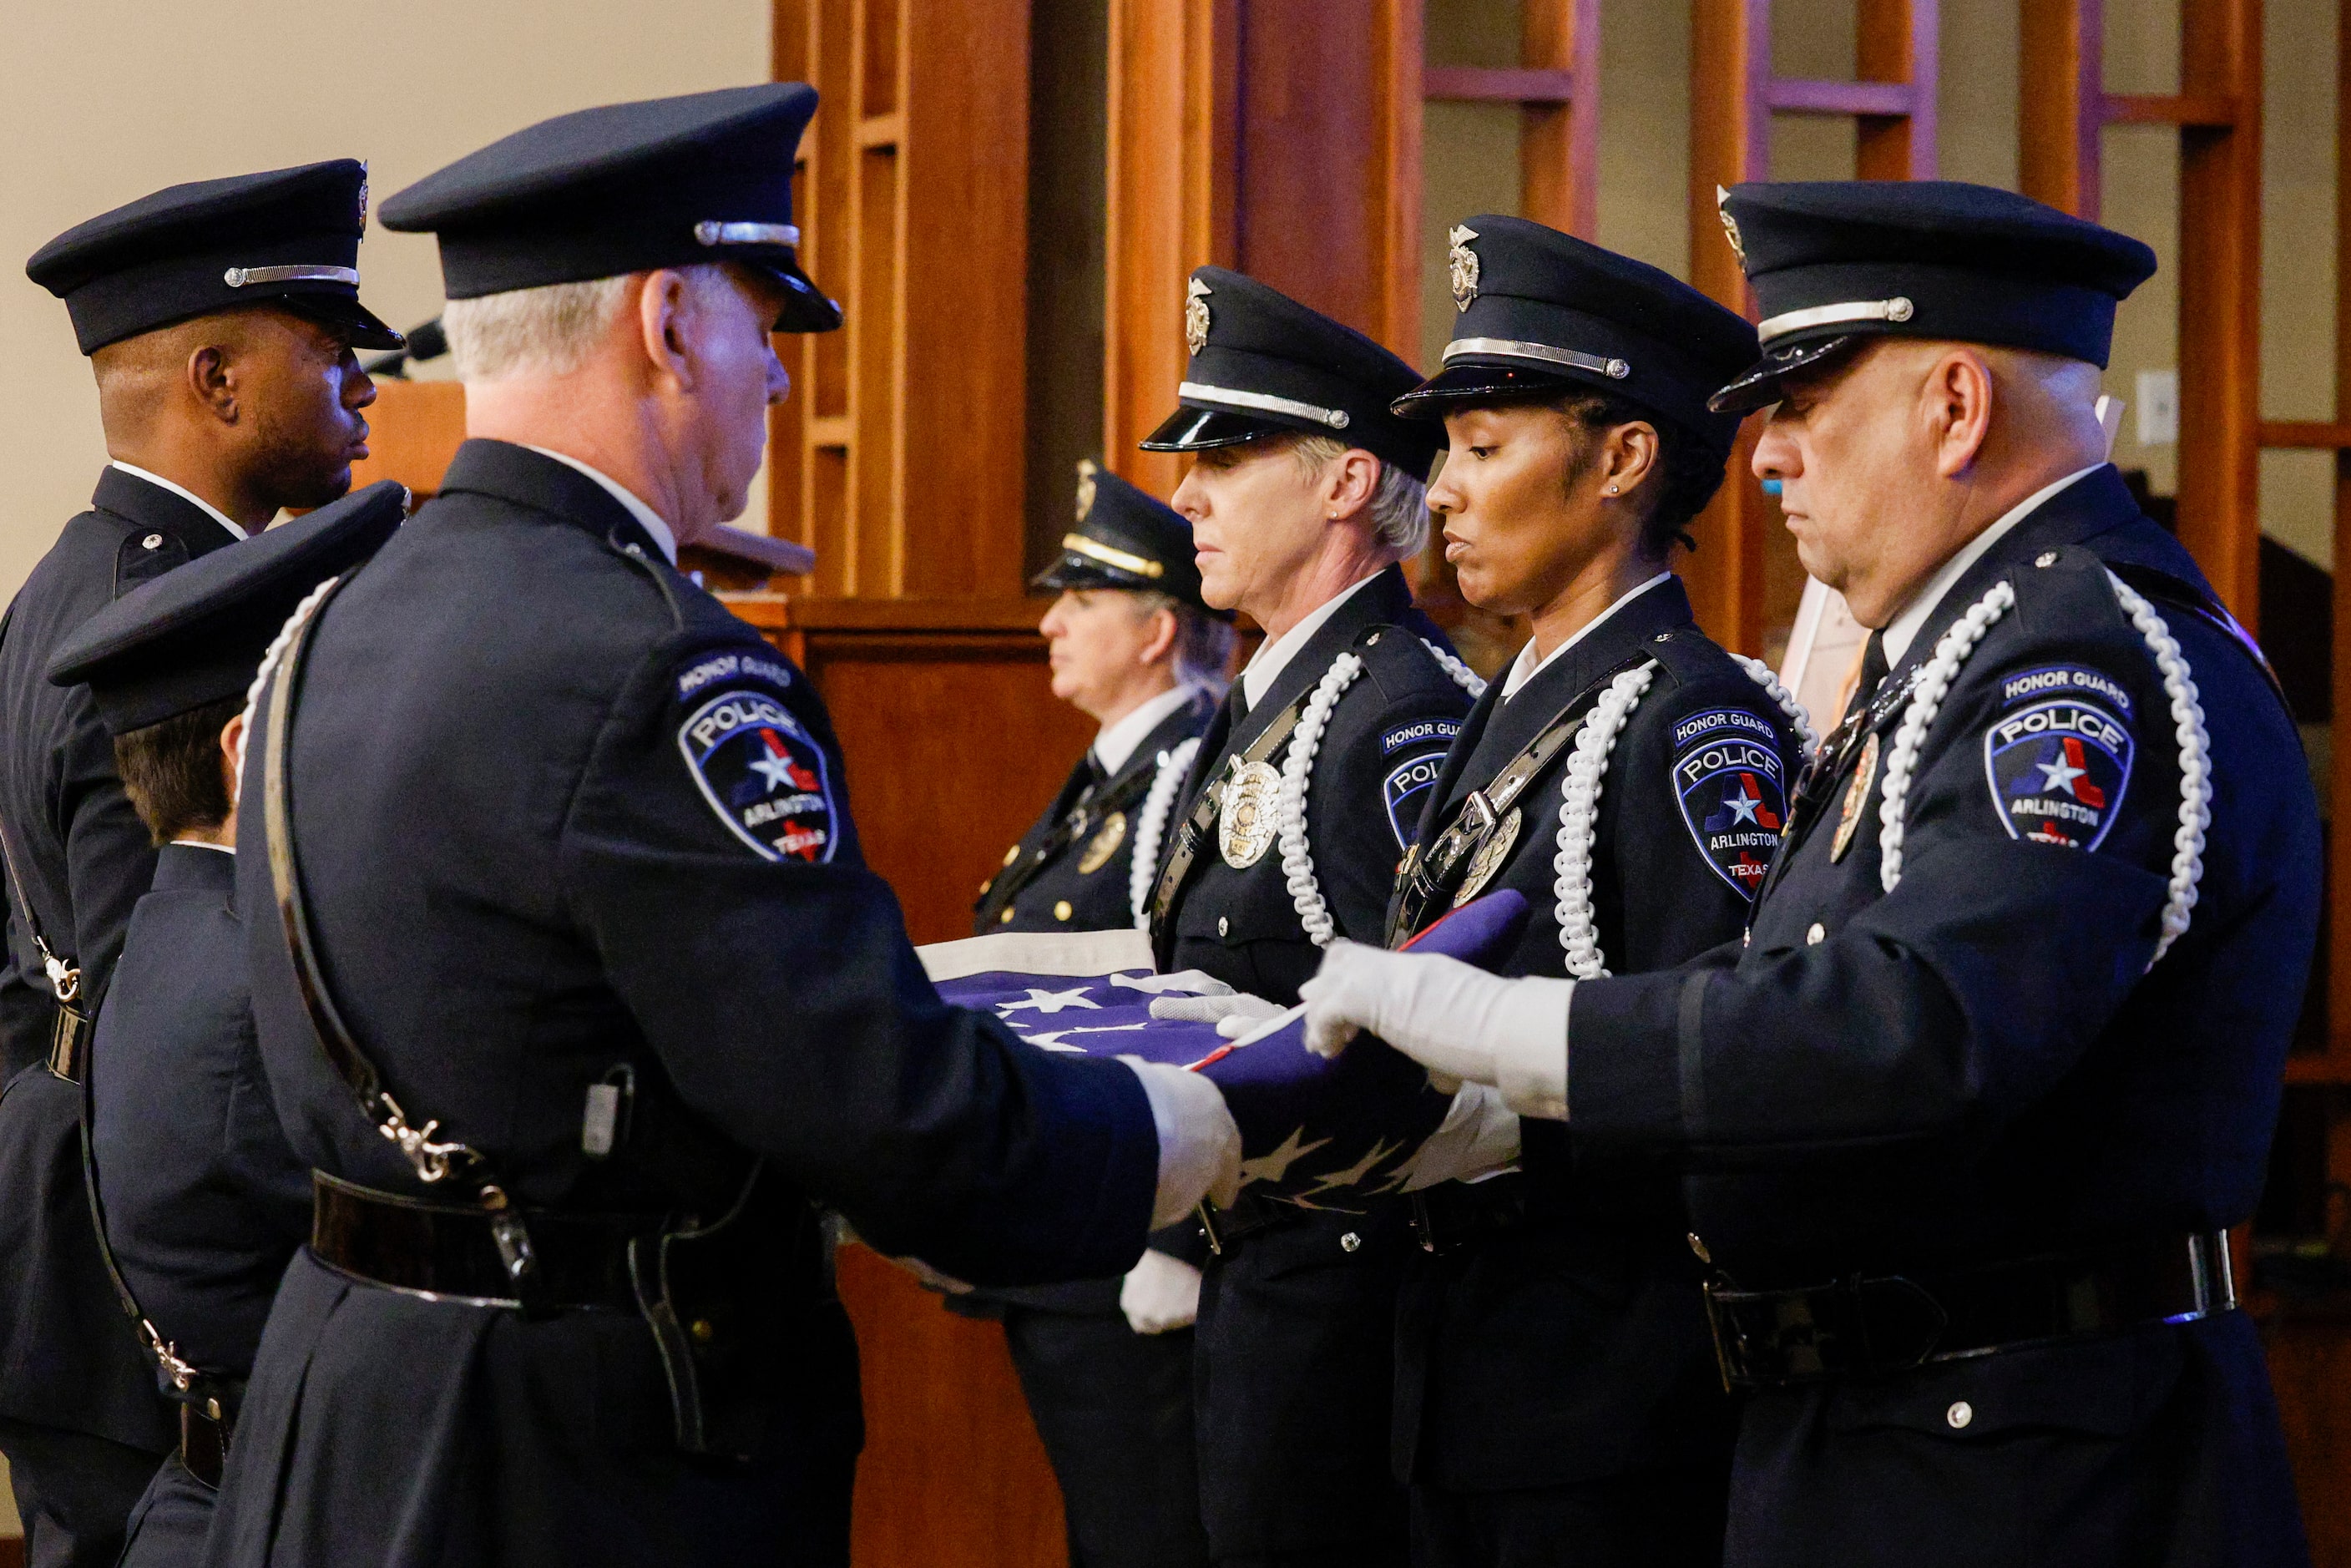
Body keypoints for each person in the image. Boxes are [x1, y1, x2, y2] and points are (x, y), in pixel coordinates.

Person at [205, 85, 1239, 1568]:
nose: (773, 377)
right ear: (669, 323)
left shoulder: (325, 624)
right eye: (763, 325)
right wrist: (1173, 1129)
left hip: (348, 1394)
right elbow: (880, 1110)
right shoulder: (663, 666)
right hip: (582, 1447)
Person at [1300, 180, 2317, 1568]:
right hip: (1913, 1431)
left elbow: (1922, 1021)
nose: (1766, 452)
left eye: (1804, 399)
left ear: (1953, 407)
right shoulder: (1972, 644)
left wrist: (1519, 1032)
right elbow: (1798, 986)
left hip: (2020, 1461)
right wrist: (1502, 1112)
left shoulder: (2076, 657)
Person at [1381, 216, 1803, 1567]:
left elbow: (1726, 1071)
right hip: (1468, 1376)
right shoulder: (1511, 699)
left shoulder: (1691, 722)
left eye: (1484, 446)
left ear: (1623, 459)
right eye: (1445, 448)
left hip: (1609, 1407)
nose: (1440, 490)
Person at [1, 159, 398, 1568]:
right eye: (325, 350)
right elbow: (151, 984)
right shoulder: (160, 622)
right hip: (130, 1264)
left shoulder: (81, 575)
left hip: (68, 1214)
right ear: (219, 380)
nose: (362, 385)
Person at [1136, 266, 1479, 1568]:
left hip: (1349, 1305)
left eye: (1227, 455)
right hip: (1264, 1281)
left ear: (1345, 484)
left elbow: (1421, 1031)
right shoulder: (1280, 692)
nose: (1187, 495)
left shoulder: (1396, 708)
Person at [42, 483, 408, 1567]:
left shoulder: (169, 929)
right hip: (286, 1515)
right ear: (249, 753)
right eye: (340, 702)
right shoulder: (269, 993)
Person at [957, 459, 1231, 1568]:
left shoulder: (1183, 771)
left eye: (1083, 599)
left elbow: (1191, 998)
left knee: (1145, 1534)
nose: (1052, 622)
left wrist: (1175, 1236)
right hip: (1073, 1230)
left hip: (1129, 1245)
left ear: (1159, 630)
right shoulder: (1120, 770)